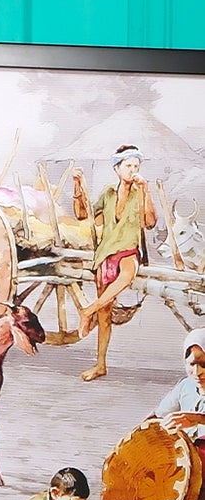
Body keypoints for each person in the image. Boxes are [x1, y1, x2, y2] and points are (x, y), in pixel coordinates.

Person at [79, 146, 158, 381]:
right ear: (117, 168)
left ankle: (87, 311)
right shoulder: (108, 193)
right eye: (128, 166)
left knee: (127, 275)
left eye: (136, 166)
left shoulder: (140, 191)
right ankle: (100, 365)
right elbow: (84, 215)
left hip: (129, 252)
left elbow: (150, 222)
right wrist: (77, 185)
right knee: (105, 315)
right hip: (106, 253)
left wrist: (146, 190)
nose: (133, 170)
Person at [156, 332, 205, 418]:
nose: (197, 372)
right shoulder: (186, 386)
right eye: (191, 364)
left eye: (204, 364)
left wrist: (198, 419)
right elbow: (160, 415)